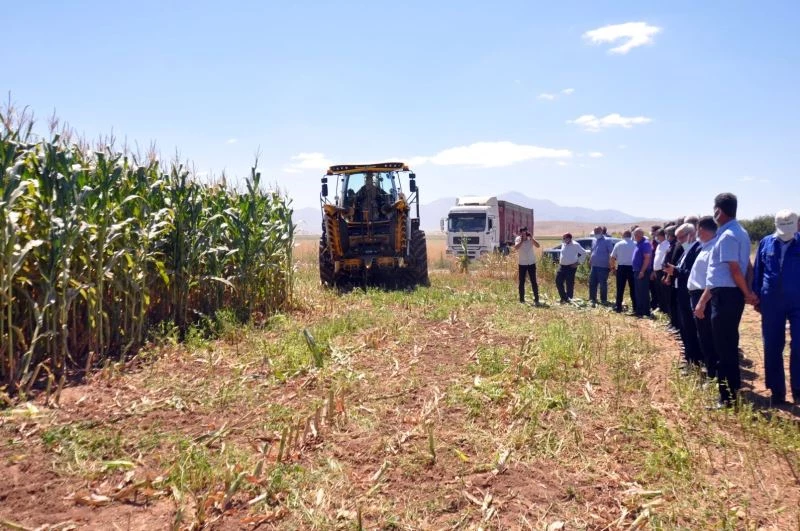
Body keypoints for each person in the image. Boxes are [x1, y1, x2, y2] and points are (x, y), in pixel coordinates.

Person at [694, 193, 758, 408]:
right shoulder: (739, 232)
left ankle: (727, 397)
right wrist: (746, 290)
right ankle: (732, 388)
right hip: (728, 294)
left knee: (724, 347)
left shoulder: (728, 235)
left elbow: (733, 269)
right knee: (728, 344)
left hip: (726, 296)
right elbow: (746, 267)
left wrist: (746, 292)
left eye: (714, 209)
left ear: (718, 211)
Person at [752, 210, 800, 405]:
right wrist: (757, 296)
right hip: (771, 301)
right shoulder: (766, 242)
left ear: (797, 225)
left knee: (798, 345)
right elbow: (758, 271)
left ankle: (798, 388)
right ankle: (777, 390)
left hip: (798, 302)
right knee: (772, 345)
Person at [664, 223, 703, 368]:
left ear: (691, 234)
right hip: (682, 293)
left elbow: (693, 274)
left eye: (681, 237)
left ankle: (694, 361)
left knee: (691, 330)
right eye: (677, 237)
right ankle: (689, 358)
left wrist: (675, 271)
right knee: (685, 329)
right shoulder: (688, 250)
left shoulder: (697, 249)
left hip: (689, 295)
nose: (679, 241)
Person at [687, 216, 719, 379]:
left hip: (704, 297)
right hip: (698, 295)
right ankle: (711, 370)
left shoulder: (714, 248)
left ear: (701, 229)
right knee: (703, 336)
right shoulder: (705, 247)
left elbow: (713, 280)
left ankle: (713, 373)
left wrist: (702, 302)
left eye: (698, 229)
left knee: (707, 337)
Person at [556, 233, 586, 303]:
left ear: (569, 238)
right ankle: (564, 297)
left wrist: (578, 263)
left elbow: (584, 253)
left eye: (565, 238)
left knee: (569, 283)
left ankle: (569, 298)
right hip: (562, 266)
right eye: (563, 238)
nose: (563, 240)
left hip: (571, 267)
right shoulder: (563, 244)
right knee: (558, 281)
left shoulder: (575, 245)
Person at [611, 230, 636, 313]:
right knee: (633, 288)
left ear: (623, 236)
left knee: (620, 288)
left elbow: (612, 257)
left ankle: (618, 307)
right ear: (630, 236)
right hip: (632, 268)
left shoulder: (618, 244)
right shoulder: (635, 244)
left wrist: (613, 268)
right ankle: (635, 307)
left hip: (621, 268)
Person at [514, 226, 541, 305]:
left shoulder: (530, 238)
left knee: (533, 281)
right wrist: (522, 241)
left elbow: (538, 245)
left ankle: (536, 299)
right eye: (522, 232)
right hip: (522, 263)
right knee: (521, 282)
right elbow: (516, 247)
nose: (524, 233)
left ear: (526, 231)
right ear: (520, 232)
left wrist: (532, 238)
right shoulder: (518, 239)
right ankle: (522, 299)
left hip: (531, 263)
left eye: (525, 231)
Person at [589, 226, 615, 305]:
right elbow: (593, 251)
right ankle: (592, 299)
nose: (596, 234)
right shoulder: (594, 240)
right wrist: (590, 259)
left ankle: (603, 300)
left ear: (601, 232)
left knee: (603, 283)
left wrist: (611, 265)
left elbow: (611, 253)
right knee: (592, 282)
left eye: (597, 232)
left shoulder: (607, 240)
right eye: (595, 232)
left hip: (603, 266)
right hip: (594, 266)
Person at [631, 228, 653, 317]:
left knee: (643, 292)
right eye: (634, 234)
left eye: (635, 235)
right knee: (638, 292)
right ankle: (639, 311)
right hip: (637, 271)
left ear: (640, 235)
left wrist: (642, 271)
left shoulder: (645, 243)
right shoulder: (639, 243)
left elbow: (647, 258)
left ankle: (645, 311)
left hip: (642, 271)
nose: (634, 236)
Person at [652, 228, 671, 315]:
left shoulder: (667, 245)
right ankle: (661, 307)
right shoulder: (659, 245)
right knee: (658, 290)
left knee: (664, 291)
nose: (656, 237)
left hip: (662, 271)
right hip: (657, 271)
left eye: (657, 235)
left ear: (661, 235)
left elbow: (667, 259)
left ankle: (666, 309)